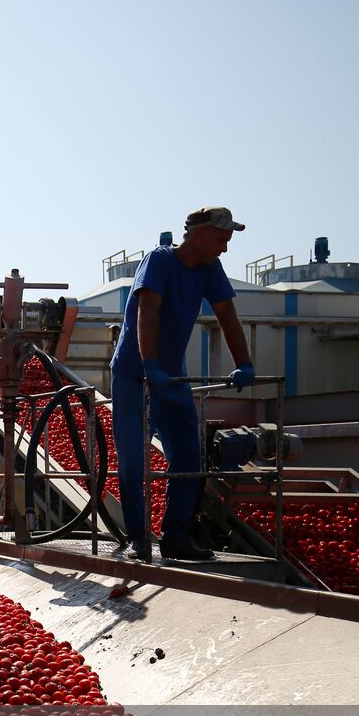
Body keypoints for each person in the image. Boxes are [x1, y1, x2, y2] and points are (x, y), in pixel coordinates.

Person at [110, 206, 256, 562]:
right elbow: (148, 310)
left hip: (173, 376)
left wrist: (245, 363)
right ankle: (137, 537)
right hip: (133, 373)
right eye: (222, 239)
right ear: (200, 234)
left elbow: (227, 315)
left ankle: (176, 535)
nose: (224, 248)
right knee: (133, 458)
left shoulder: (209, 269)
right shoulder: (159, 261)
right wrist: (149, 365)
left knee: (188, 456)